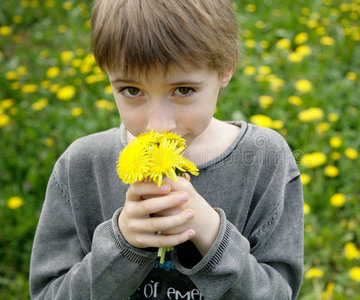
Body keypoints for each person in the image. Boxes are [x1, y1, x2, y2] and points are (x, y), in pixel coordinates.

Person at [29, 0, 304, 299]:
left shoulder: (266, 159)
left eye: (183, 90)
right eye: (132, 91)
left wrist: (213, 237)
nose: (158, 125)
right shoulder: (81, 166)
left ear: (226, 68)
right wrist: (121, 246)